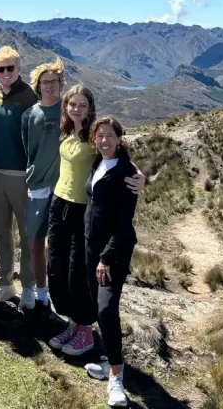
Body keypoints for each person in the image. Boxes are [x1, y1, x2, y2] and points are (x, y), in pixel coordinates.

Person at [48, 86, 145, 357]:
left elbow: (118, 155)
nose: (76, 109)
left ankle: (85, 331)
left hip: (82, 210)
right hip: (59, 205)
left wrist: (140, 175)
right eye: (72, 104)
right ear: (66, 106)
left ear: (90, 108)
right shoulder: (68, 131)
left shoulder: (94, 136)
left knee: (77, 273)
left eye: (82, 105)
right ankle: (72, 322)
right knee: (56, 268)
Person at [83, 117, 139, 408]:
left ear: (119, 139)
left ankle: (116, 377)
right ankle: (109, 361)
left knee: (106, 307)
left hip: (112, 252)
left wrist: (105, 257)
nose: (104, 140)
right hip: (91, 248)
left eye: (109, 136)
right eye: (100, 136)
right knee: (100, 308)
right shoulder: (97, 164)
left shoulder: (127, 172)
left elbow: (123, 223)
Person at [0, 46, 39, 308]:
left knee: (27, 234)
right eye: (0, 68)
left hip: (22, 175)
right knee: (0, 232)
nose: (5, 73)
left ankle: (29, 286)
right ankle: (4, 283)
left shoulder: (31, 95)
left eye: (10, 68)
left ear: (19, 68)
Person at [21, 59, 65, 316]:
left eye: (54, 82)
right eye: (44, 82)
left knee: (61, 245)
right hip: (37, 187)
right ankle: (41, 294)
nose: (49, 87)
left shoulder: (68, 110)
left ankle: (62, 298)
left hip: (65, 189)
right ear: (38, 86)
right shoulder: (29, 115)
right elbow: (28, 149)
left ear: (61, 84)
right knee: (35, 243)